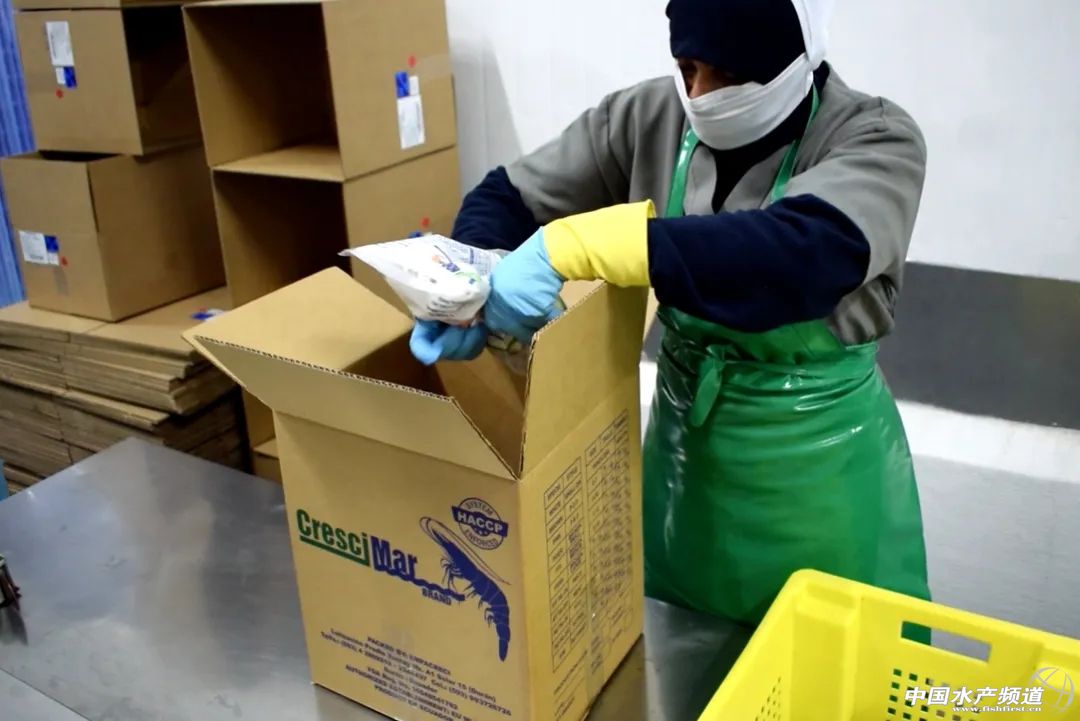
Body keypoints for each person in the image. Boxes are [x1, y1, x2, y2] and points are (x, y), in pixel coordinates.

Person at [410, 0, 932, 626]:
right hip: (684, 471)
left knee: (826, 650)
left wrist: (577, 246)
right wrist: (475, 282)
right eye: (687, 68)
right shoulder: (647, 118)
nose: (701, 96)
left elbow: (800, 257)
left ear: (797, 61)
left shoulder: (874, 138)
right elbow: (508, 194)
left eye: (729, 75)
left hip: (822, 478)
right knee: (684, 645)